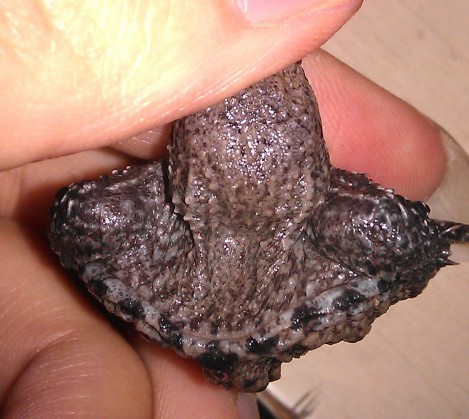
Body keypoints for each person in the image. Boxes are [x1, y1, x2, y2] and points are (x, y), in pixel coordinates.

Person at [0, 1, 447, 417]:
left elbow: (76, 218)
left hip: (204, 272)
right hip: (256, 268)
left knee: (89, 219)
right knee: (395, 232)